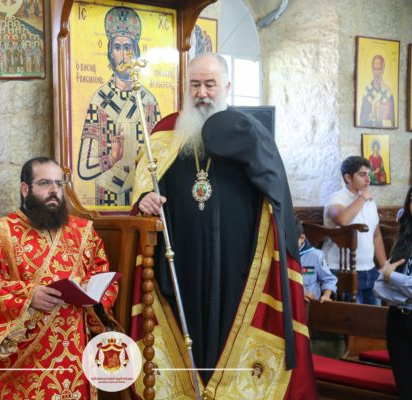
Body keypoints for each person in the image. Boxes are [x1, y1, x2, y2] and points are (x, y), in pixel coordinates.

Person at [131, 53, 316, 398]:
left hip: (238, 264)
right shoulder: (164, 135)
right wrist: (145, 199)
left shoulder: (250, 134)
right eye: (195, 84)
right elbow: (144, 191)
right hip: (180, 262)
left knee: (229, 330)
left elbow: (276, 197)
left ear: (227, 87)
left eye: (210, 84)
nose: (201, 93)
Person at [0, 157, 119, 399]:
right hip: (24, 359)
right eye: (45, 183)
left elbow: (104, 277)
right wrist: (28, 297)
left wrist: (91, 292)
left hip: (74, 354)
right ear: (25, 189)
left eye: (59, 183)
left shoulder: (83, 232)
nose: (54, 190)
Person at [77, 6, 161, 208]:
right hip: (108, 197)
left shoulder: (149, 102)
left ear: (136, 52)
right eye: (117, 47)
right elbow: (84, 169)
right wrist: (111, 158)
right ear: (110, 52)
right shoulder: (99, 101)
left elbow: (161, 158)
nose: (123, 55)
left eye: (128, 47)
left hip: (143, 198)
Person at [323, 156, 387, 304]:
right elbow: (342, 219)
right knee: (352, 317)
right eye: (362, 175)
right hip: (342, 270)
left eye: (369, 174)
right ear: (348, 177)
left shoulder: (370, 202)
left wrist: (384, 266)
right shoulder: (336, 198)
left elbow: (376, 235)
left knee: (375, 316)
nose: (368, 180)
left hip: (369, 269)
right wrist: (362, 198)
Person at [373, 185, 412, 399]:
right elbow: (378, 287)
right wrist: (405, 295)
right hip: (397, 320)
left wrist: (392, 276)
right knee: (405, 388)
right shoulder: (403, 240)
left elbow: (387, 276)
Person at [295, 219, 337, 302]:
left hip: (309, 305)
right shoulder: (278, 257)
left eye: (291, 241)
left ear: (302, 238)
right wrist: (298, 294)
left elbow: (329, 280)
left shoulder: (315, 256)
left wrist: (326, 296)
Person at [360, 54, 395, 128]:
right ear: (372, 69)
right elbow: (362, 121)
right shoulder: (367, 92)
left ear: (383, 69)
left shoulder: (388, 93)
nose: (377, 73)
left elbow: (392, 123)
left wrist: (380, 121)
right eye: (375, 69)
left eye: (379, 69)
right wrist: (372, 118)